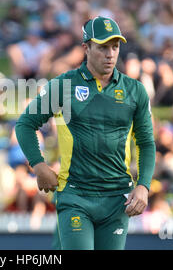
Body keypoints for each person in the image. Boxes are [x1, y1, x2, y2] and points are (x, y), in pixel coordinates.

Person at [15, 16, 156, 250]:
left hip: (117, 198)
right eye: (102, 47)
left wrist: (143, 186)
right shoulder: (63, 85)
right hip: (75, 195)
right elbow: (25, 124)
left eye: (115, 46)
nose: (110, 54)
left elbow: (146, 143)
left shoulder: (135, 90)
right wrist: (39, 165)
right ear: (86, 48)